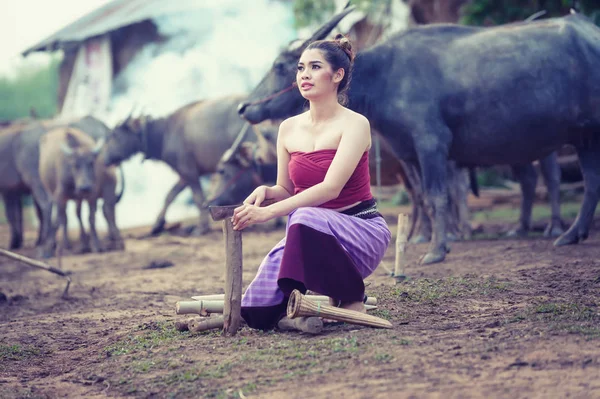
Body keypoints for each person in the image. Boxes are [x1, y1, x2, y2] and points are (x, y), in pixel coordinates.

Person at [232, 34, 391, 330]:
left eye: (315, 67)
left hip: (359, 231)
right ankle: (303, 308)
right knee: (257, 310)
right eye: (301, 68)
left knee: (302, 216)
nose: (305, 74)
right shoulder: (288, 128)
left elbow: (331, 188)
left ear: (337, 75)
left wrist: (268, 213)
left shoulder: (355, 124)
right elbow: (286, 190)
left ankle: (350, 295)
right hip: (307, 234)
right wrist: (268, 192)